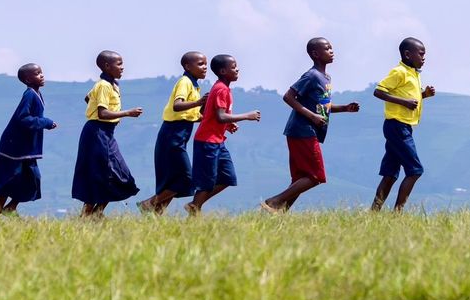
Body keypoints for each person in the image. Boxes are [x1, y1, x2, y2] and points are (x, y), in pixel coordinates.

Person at [262, 38, 359, 212]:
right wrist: (312, 116)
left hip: (307, 130)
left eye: (331, 47)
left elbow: (322, 107)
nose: (331, 50)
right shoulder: (312, 75)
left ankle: (280, 212)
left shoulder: (326, 78)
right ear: (315, 54)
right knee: (316, 176)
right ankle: (274, 202)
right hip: (301, 130)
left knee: (301, 177)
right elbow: (288, 97)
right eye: (327, 48)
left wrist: (344, 108)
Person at [184, 54, 260, 216]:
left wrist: (227, 125)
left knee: (227, 178)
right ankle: (195, 209)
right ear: (223, 71)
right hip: (207, 142)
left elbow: (207, 112)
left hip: (218, 141)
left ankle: (195, 205)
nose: (237, 69)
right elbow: (220, 116)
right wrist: (247, 116)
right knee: (206, 181)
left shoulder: (222, 88)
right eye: (233, 67)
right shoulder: (220, 89)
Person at [72, 51, 142, 218]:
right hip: (97, 132)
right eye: (118, 64)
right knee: (101, 173)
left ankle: (94, 213)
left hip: (105, 133)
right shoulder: (103, 85)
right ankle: (89, 214)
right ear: (106, 66)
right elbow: (102, 113)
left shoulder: (111, 84)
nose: (122, 67)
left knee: (115, 174)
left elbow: (88, 98)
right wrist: (127, 113)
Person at [138, 52, 207, 215]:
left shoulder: (195, 85)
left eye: (205, 64)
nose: (204, 67)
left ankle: (156, 213)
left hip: (181, 135)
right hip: (172, 134)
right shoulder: (185, 82)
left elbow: (192, 116)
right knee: (185, 178)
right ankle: (148, 203)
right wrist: (199, 102)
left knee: (174, 179)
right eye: (200, 64)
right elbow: (177, 106)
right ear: (187, 67)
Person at [370, 37, 435, 212]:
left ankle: (373, 212)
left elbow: (410, 97)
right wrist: (403, 102)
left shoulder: (414, 73)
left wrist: (424, 95)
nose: (423, 57)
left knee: (391, 174)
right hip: (397, 126)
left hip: (402, 127)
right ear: (407, 54)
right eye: (421, 54)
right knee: (415, 170)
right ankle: (398, 212)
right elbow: (378, 91)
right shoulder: (400, 72)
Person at [0, 63, 56, 217]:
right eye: (37, 73)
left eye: (41, 72)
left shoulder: (36, 94)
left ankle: (9, 208)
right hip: (15, 147)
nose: (41, 75)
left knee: (31, 179)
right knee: (9, 178)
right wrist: (45, 123)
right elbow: (23, 118)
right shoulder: (29, 95)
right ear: (27, 79)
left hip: (24, 148)